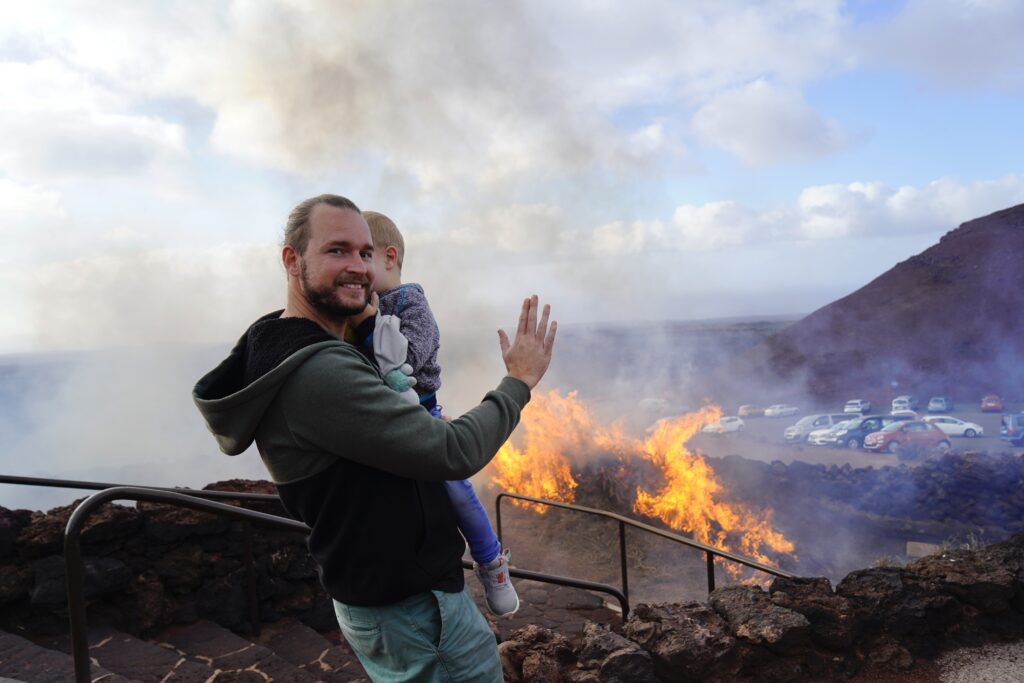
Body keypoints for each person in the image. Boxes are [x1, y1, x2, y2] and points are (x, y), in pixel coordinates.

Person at [192, 194, 556, 682]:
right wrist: (518, 382)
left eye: (365, 252)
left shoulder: (299, 343)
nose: (358, 266)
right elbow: (452, 452)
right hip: (413, 606)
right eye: (337, 250)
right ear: (291, 258)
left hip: (388, 597)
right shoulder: (319, 372)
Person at [361, 210, 519, 616]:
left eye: (365, 257)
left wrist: (365, 326)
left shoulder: (411, 305)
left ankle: (491, 562)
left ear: (389, 257)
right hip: (383, 421)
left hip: (423, 416)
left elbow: (405, 361)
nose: (356, 271)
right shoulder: (365, 306)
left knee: (457, 492)